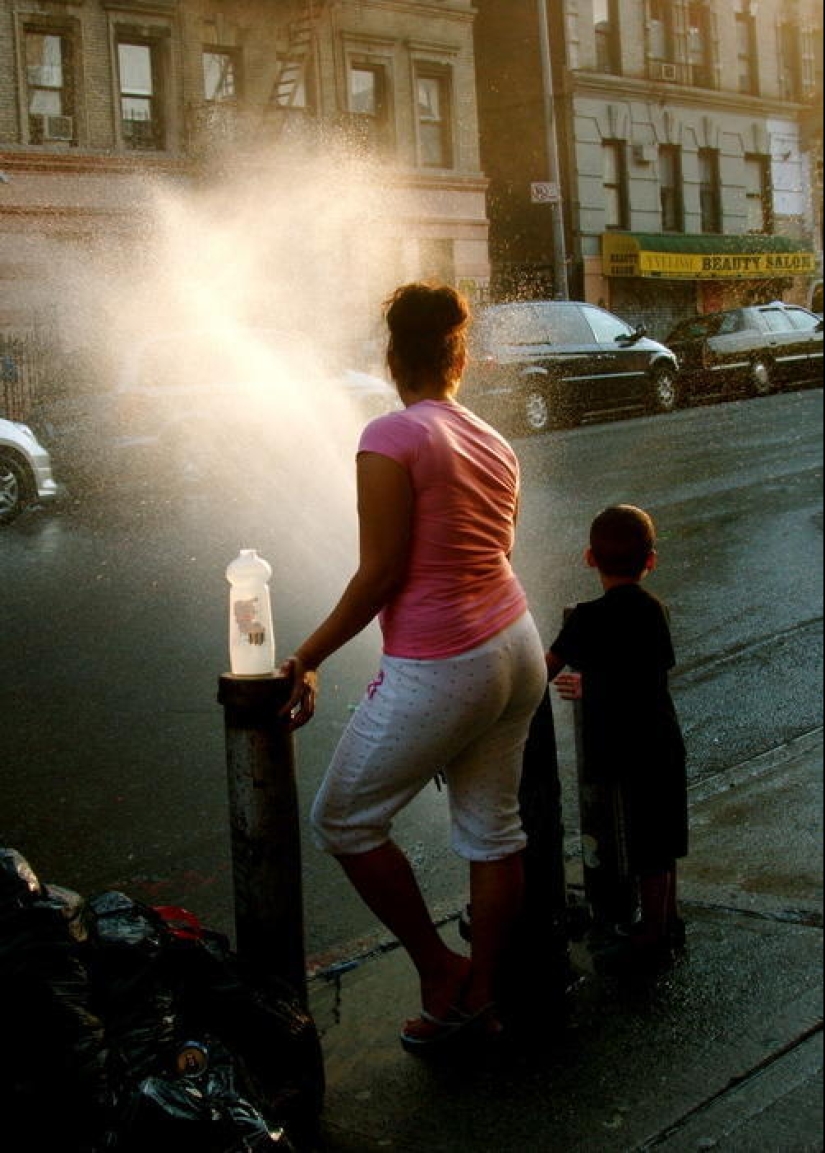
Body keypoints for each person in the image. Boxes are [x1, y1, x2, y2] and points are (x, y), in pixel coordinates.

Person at [280, 282, 547, 1050]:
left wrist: (305, 656)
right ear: (458, 356)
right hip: (515, 644)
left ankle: (438, 969)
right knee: (494, 832)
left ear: (392, 355)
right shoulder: (494, 442)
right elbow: (492, 553)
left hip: (446, 662)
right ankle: (481, 999)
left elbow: (379, 573)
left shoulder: (390, 436)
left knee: (342, 818)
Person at [545, 504, 688, 969]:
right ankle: (664, 920)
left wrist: (588, 685)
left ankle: (648, 935)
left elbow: (544, 669)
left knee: (634, 838)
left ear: (589, 558)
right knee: (660, 839)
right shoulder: (654, 610)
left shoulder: (584, 618)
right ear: (651, 560)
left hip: (618, 747)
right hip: (659, 740)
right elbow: (651, 676)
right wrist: (598, 682)